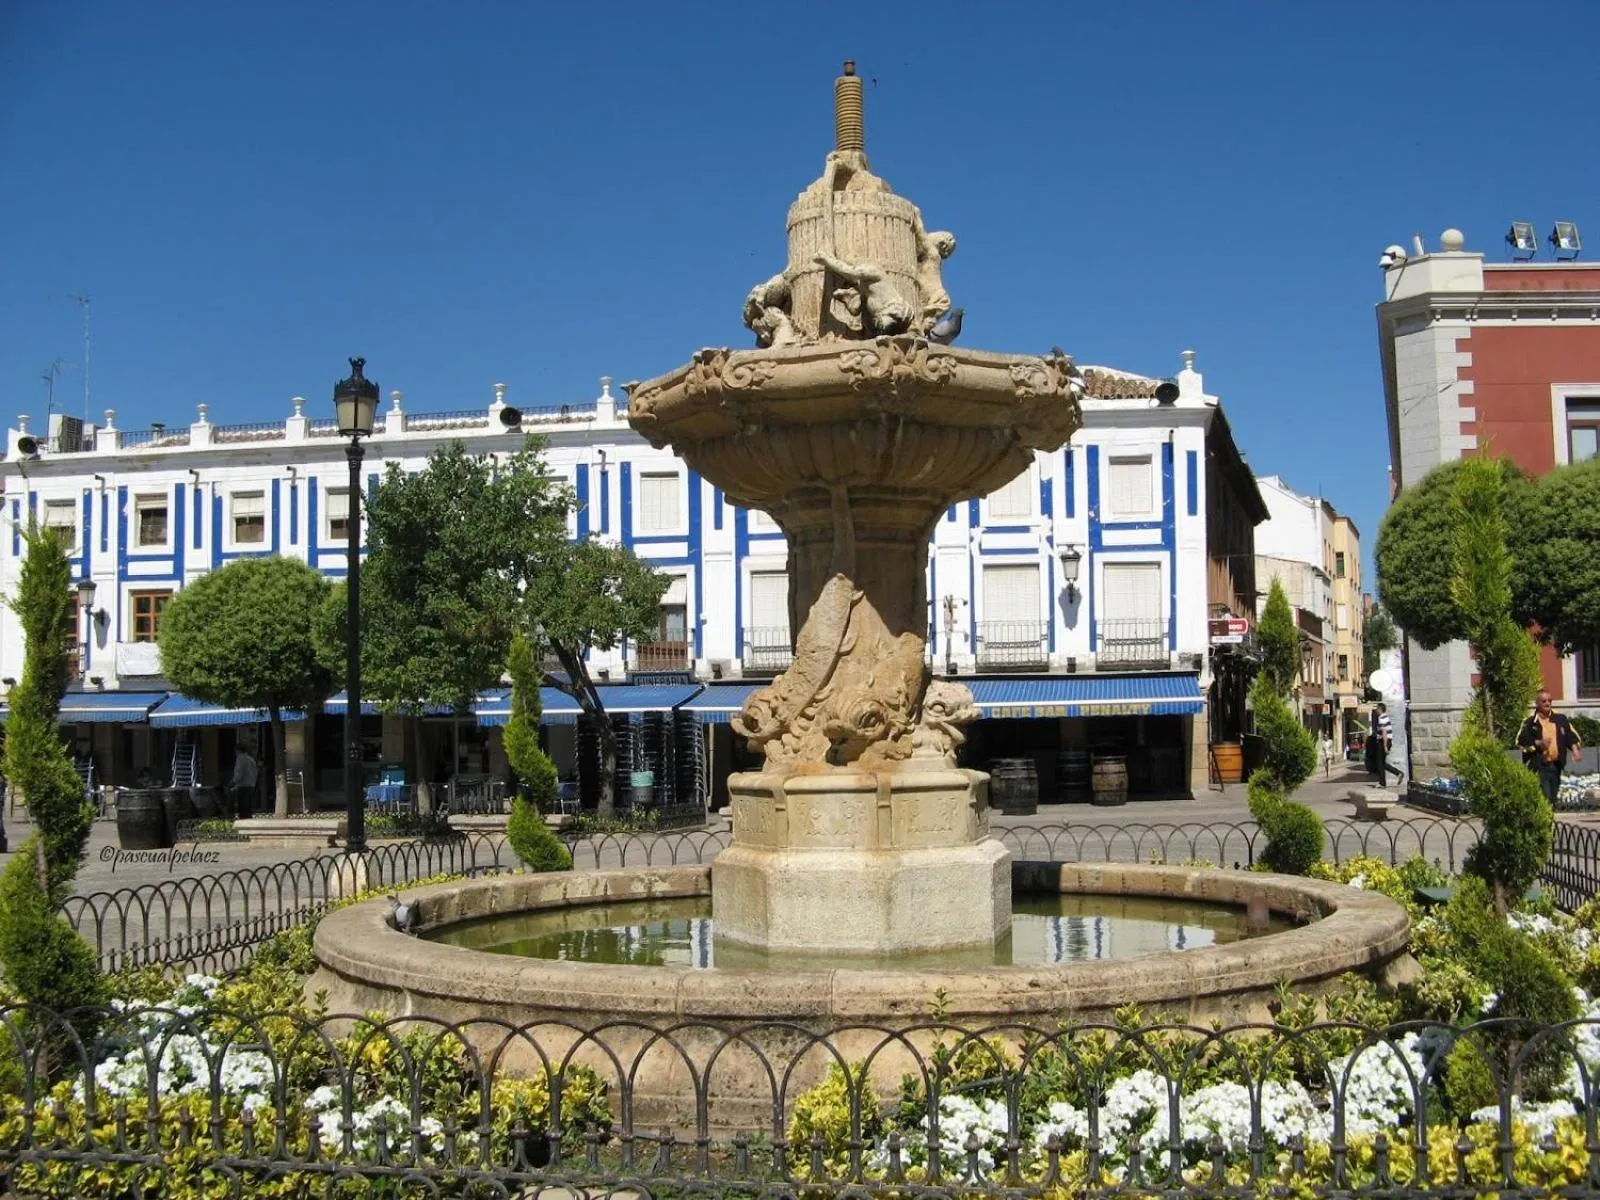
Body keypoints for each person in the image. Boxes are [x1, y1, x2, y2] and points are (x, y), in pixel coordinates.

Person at [1517, 691, 1583, 806]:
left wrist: (1575, 750)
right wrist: (1538, 743)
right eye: (1544, 701)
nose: (1547, 703)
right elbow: (1520, 741)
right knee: (1545, 798)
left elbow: (1570, 736)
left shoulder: (1560, 719)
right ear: (1537, 703)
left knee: (1552, 797)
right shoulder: (1530, 721)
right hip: (1539, 766)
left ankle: (1549, 815)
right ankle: (1546, 816)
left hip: (1556, 765)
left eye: (1549, 701)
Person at [1365, 702, 1393, 787]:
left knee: (1379, 763)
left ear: (1380, 709)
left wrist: (1385, 745)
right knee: (1381, 762)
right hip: (1386, 740)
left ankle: (1382, 783)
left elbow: (1384, 732)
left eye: (1377, 708)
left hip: (1383, 741)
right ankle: (1395, 774)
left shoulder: (1381, 718)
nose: (1376, 710)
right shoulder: (1385, 717)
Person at [230, 746, 259, 819]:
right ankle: (248, 818)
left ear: (238, 751)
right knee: (248, 805)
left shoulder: (240, 759)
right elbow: (255, 772)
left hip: (243, 785)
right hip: (251, 784)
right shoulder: (251, 759)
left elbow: (239, 773)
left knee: (242, 805)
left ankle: (243, 819)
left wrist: (233, 781)